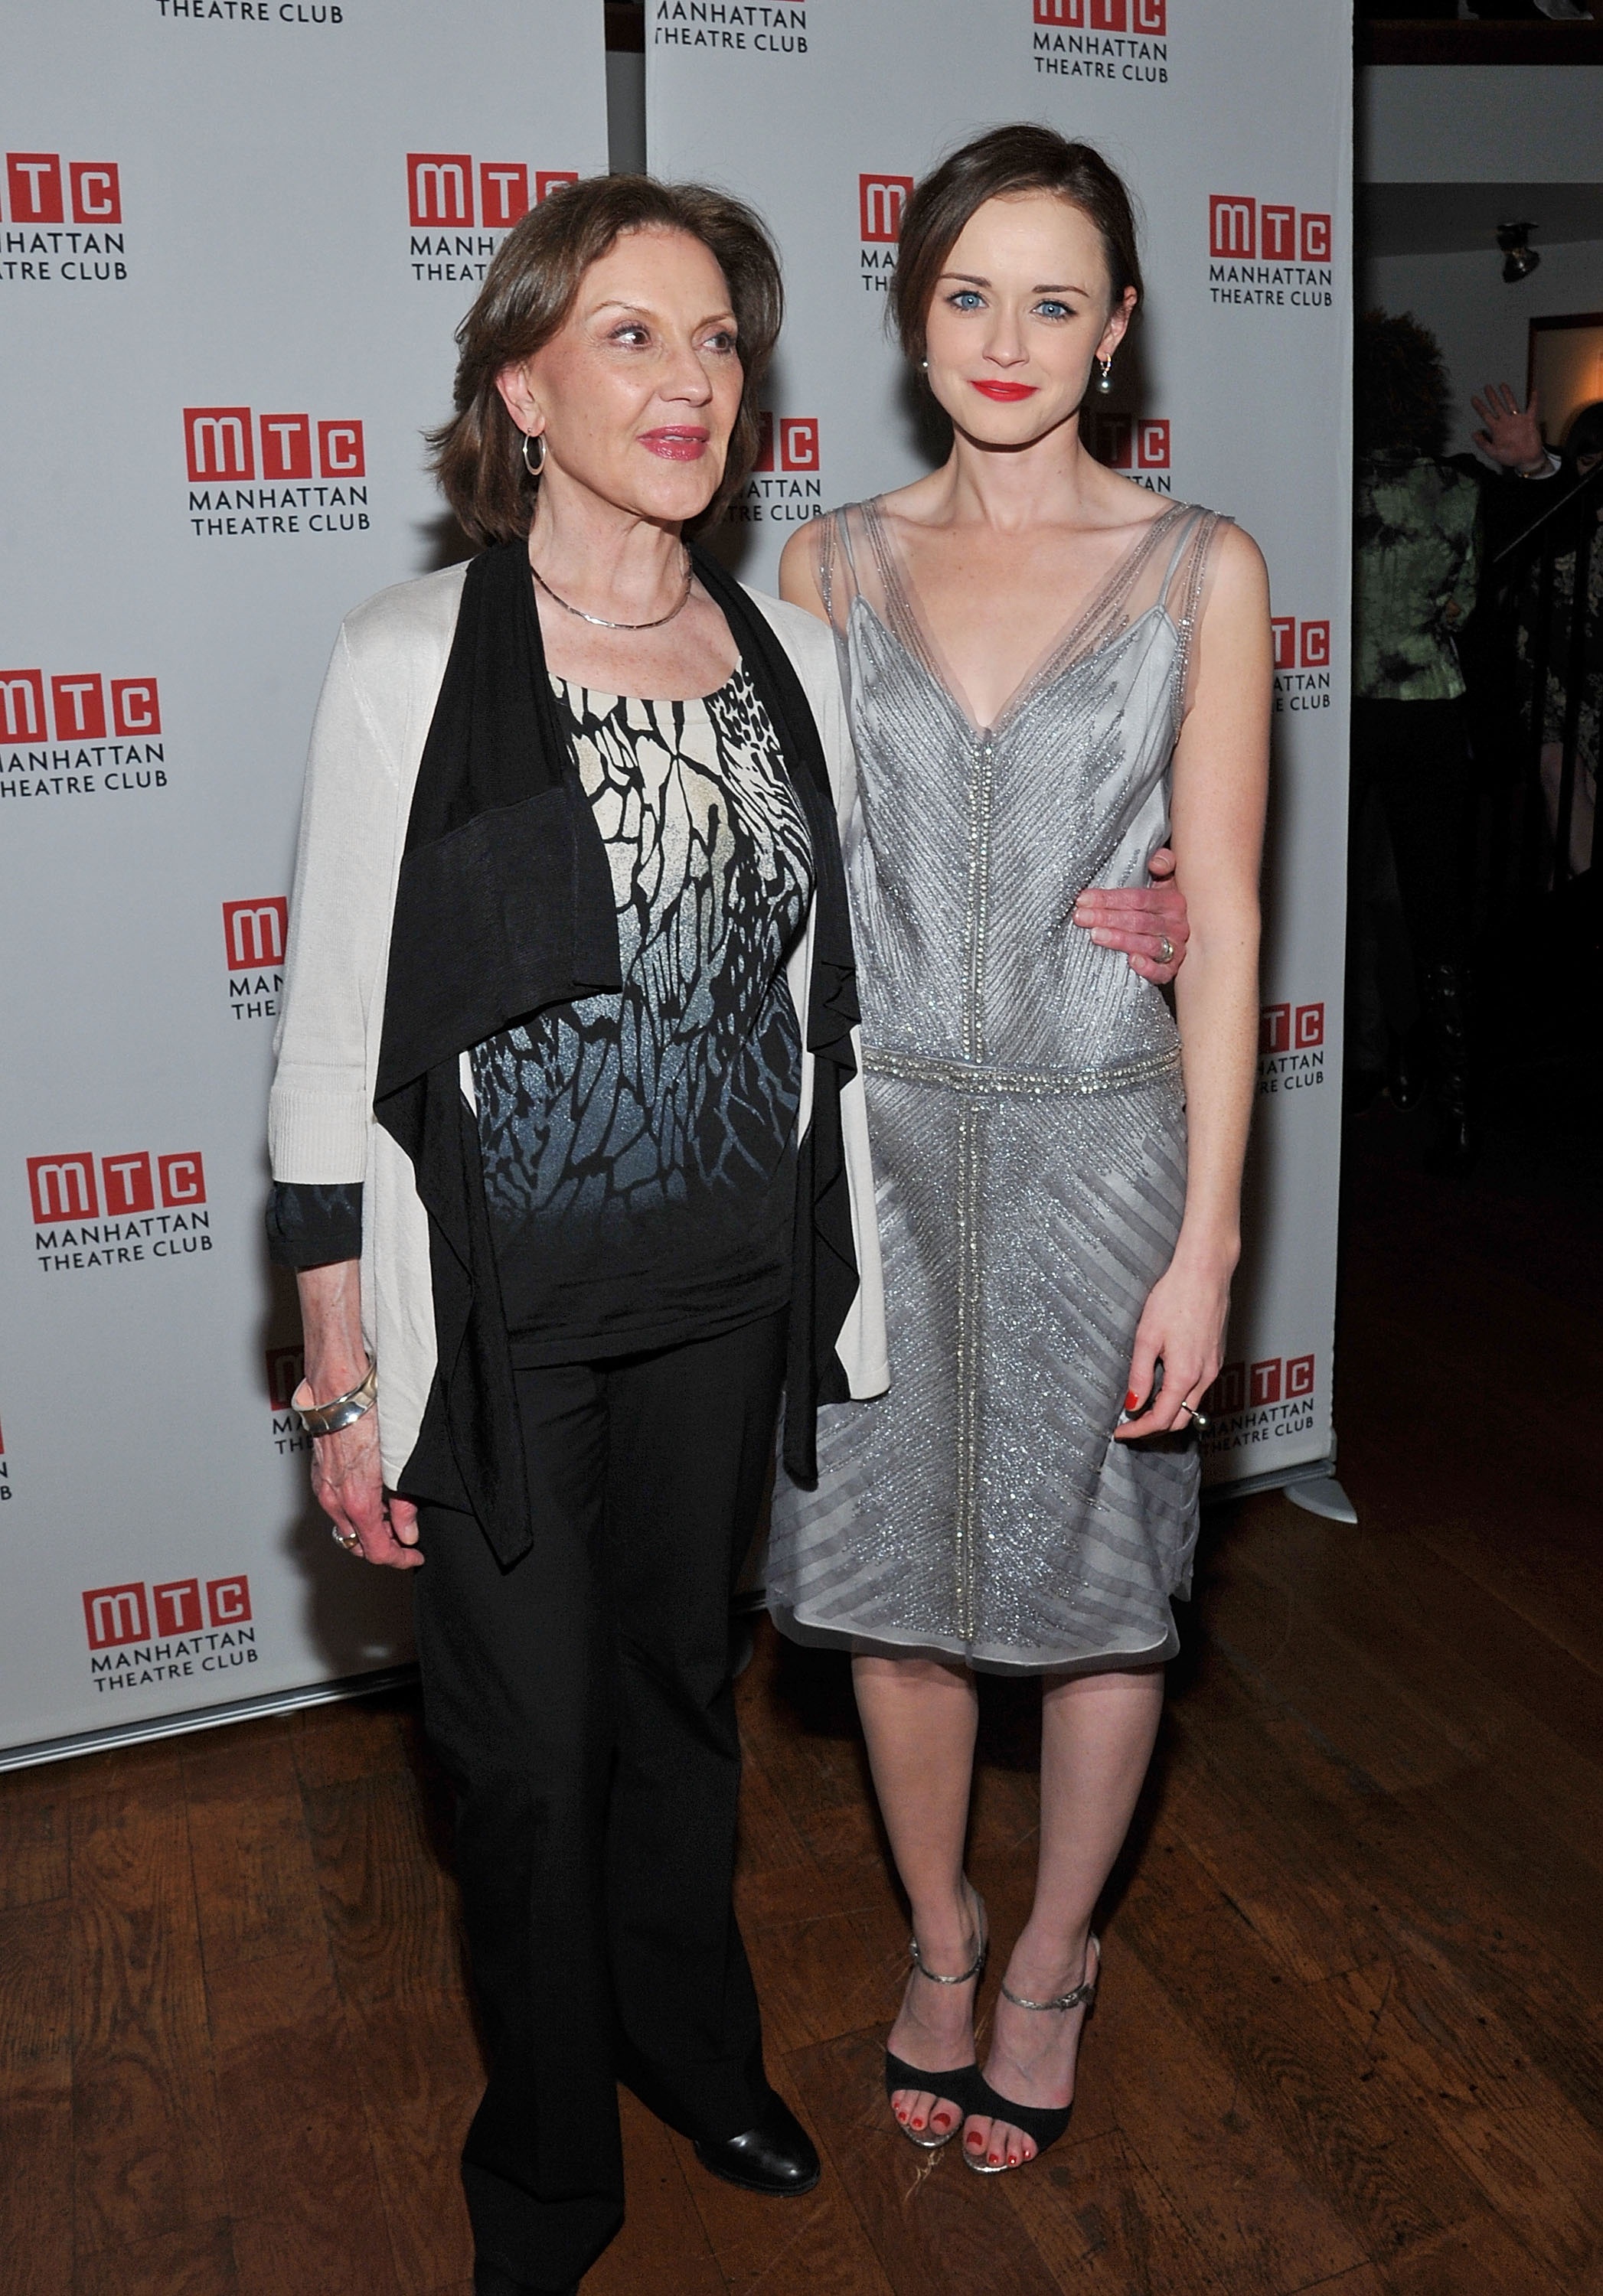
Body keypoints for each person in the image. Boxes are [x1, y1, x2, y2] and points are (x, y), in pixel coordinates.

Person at [265, 172, 1183, 2291]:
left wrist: (1163, 916)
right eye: (630, 336)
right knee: (519, 1765)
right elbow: (332, 1027)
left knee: (680, 1701)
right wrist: (332, 1362)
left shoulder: (788, 651)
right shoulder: (410, 658)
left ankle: (694, 2053)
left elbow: (918, 906)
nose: (689, 382)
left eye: (717, 342)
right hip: (497, 1323)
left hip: (724, 1294)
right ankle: (545, 2165)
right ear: (522, 387)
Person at [768, 125, 1269, 2177]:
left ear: (1115, 328)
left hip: (1101, 1153)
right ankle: (941, 1933)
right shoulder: (824, 565)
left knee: (1100, 1598)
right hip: (873, 1156)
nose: (1006, 336)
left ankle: (1053, 1956)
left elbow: (1222, 916)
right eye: (968, 291)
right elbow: (791, 897)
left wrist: (1207, 1244)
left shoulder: (1198, 568)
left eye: (1053, 299)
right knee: (889, 1596)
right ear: (912, 315)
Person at [1350, 311, 1481, 1169]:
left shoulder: (1337, 482)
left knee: (1346, 898)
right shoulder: (1459, 489)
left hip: (1350, 713)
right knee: (1436, 912)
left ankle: (1366, 1063)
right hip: (1435, 707)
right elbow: (1463, 606)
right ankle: (1457, 1110)